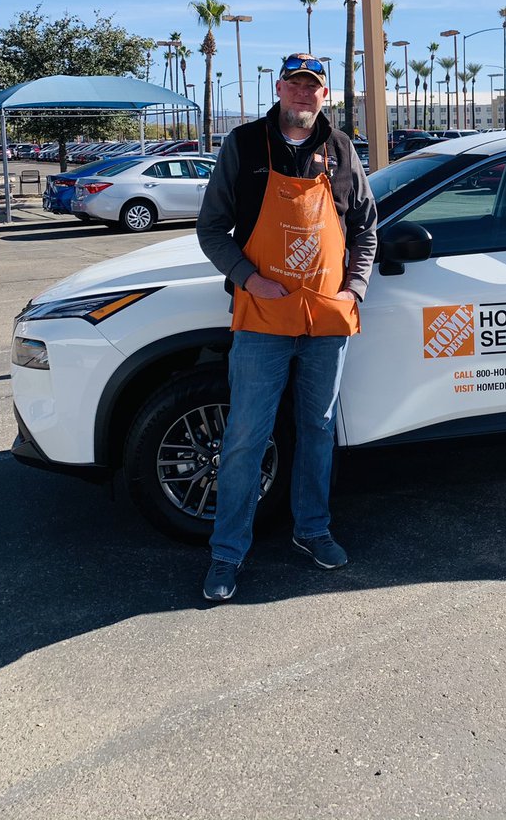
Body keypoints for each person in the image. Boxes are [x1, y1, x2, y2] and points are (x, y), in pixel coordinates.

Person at [196, 53, 377, 602]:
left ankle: (312, 530)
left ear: (326, 95)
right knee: (247, 435)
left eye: (313, 86)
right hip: (263, 319)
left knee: (318, 429)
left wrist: (353, 289)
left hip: (326, 319)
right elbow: (212, 230)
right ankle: (227, 553)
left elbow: (366, 228)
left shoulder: (342, 150)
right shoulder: (245, 145)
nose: (303, 94)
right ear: (279, 88)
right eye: (295, 84)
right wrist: (249, 278)